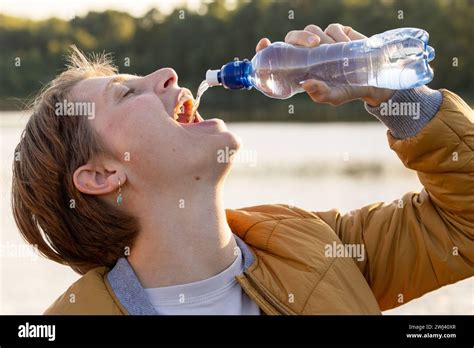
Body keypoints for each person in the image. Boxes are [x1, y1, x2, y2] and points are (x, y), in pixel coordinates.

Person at [11, 24, 474, 315]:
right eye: (129, 93)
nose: (168, 75)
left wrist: (392, 94)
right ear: (101, 176)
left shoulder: (320, 249)